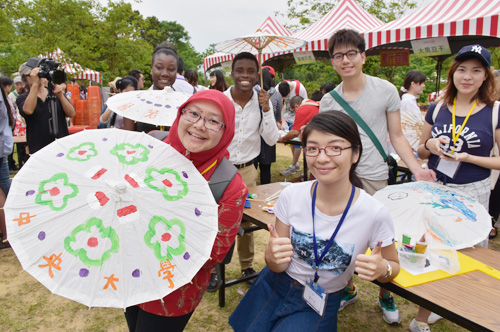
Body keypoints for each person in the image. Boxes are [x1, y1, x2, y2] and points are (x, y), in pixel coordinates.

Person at [229, 111, 400, 332]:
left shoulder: (374, 213)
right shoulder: (291, 195)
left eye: (335, 147)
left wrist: (383, 269)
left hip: (320, 301)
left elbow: (393, 266)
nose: (321, 158)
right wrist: (271, 257)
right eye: (312, 148)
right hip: (274, 286)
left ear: (355, 153)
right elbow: (277, 264)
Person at [319, 28, 435, 325]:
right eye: (338, 55)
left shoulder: (384, 90)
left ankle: (385, 291)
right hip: (340, 178)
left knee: (382, 240)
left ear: (363, 56)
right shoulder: (328, 102)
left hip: (374, 176)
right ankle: (348, 288)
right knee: (342, 236)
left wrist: (416, 168)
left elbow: (396, 136)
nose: (345, 60)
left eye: (351, 54)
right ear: (332, 61)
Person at [124, 89, 247, 332]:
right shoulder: (150, 146)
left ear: (226, 130)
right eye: (193, 114)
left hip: (173, 288)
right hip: (130, 270)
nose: (199, 125)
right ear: (180, 114)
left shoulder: (229, 185)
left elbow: (215, 252)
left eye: (213, 121)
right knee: (133, 323)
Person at [413, 44, 500, 332]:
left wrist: (468, 157)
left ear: (486, 76)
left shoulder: (494, 112)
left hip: (472, 193)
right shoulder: (437, 107)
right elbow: (420, 151)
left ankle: (455, 307)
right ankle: (421, 318)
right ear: (453, 72)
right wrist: (430, 144)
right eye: (462, 69)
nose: (467, 76)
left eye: (476, 70)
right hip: (436, 189)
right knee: (433, 251)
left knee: (467, 255)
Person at [224, 52, 279, 284]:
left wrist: (266, 110)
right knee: (216, 219)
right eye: (240, 70)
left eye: (250, 71)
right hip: (220, 169)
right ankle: (213, 268)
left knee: (245, 220)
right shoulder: (220, 100)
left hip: (247, 170)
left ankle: (246, 266)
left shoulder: (262, 101)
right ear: (232, 73)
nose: (244, 75)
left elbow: (271, 138)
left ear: (258, 75)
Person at [16, 59, 75, 155]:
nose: (38, 77)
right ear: (25, 79)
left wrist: (60, 95)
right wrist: (35, 84)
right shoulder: (23, 98)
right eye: (32, 75)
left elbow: (71, 113)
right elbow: (28, 110)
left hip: (61, 146)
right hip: (38, 148)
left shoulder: (55, 92)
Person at [124, 44, 178, 133]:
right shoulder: (135, 103)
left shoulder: (184, 105)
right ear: (151, 69)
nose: (165, 73)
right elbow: (128, 140)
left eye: (171, 69)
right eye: (159, 67)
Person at [253, 65, 282, 184]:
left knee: (252, 166)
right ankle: (266, 190)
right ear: (273, 79)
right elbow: (278, 117)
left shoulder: (252, 93)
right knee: (266, 168)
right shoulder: (277, 95)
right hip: (269, 131)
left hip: (254, 133)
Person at [400, 70, 426, 151]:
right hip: (410, 142)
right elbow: (417, 124)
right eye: (421, 83)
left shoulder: (408, 100)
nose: (424, 86)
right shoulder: (408, 102)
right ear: (413, 84)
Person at [279, 96, 303, 176]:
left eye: (294, 110)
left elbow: (295, 133)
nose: (294, 112)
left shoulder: (304, 111)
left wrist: (283, 138)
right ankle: (295, 164)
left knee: (298, 143)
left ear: (296, 106)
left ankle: (293, 166)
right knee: (293, 141)